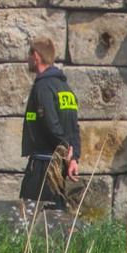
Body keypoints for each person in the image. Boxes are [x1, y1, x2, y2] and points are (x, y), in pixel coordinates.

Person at [20, 37, 81, 209]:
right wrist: (74, 156)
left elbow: (51, 123)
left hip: (43, 165)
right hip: (59, 165)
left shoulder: (43, 86)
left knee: (31, 212)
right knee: (56, 213)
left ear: (36, 56)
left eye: (29, 55)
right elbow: (74, 127)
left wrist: (66, 148)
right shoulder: (64, 87)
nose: (28, 60)